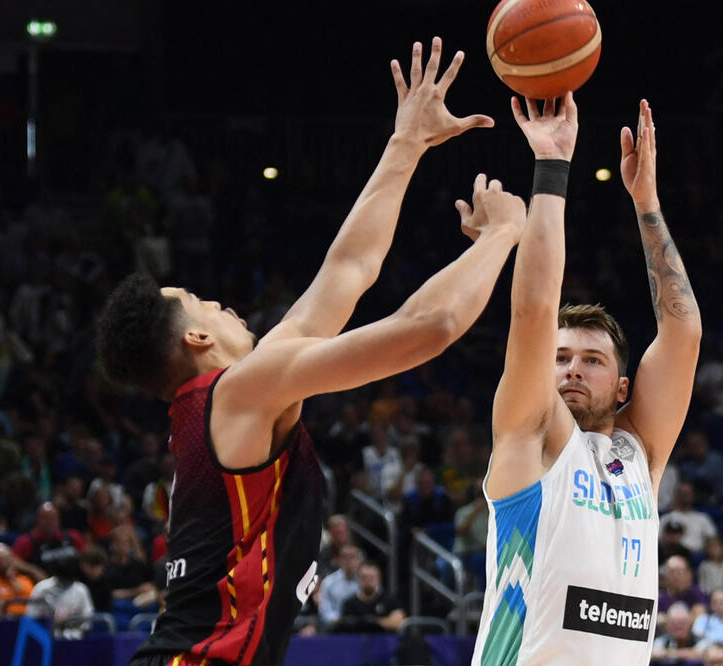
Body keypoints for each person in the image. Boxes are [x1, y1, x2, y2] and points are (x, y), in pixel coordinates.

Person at [109, 38, 525, 666]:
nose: (221, 304)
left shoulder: (236, 399)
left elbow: (348, 272)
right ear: (196, 339)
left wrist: (406, 142)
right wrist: (502, 235)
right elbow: (429, 325)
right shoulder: (243, 391)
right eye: (202, 301)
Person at [472, 97, 702, 665]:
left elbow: (684, 331)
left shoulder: (639, 452)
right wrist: (552, 167)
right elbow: (532, 311)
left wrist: (645, 201)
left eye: (593, 360)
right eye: (561, 358)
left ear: (623, 389)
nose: (572, 367)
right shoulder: (533, 439)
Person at [334, 561, 405, 633]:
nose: (368, 581)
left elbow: (398, 623)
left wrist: (373, 622)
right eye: (364, 577)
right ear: (358, 579)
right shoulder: (349, 604)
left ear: (379, 579)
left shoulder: (390, 600)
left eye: (371, 578)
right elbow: (344, 625)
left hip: (385, 641)